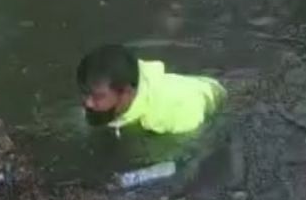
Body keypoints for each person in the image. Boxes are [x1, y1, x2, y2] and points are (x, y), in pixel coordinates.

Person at [76, 44, 226, 135]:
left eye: (97, 97)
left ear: (126, 93)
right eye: (85, 93)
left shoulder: (170, 115)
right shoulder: (121, 80)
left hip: (211, 102)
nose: (88, 103)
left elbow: (180, 163)